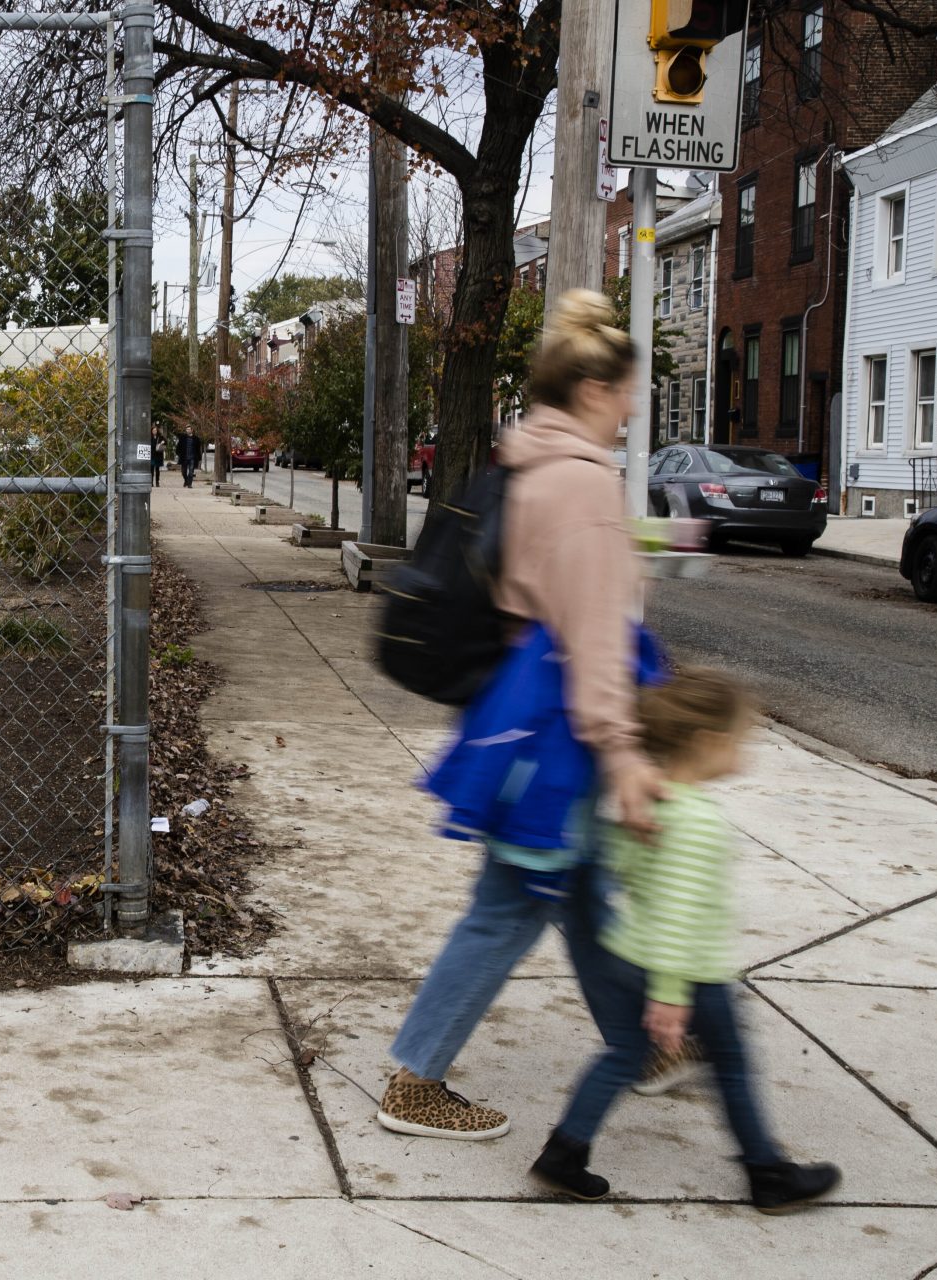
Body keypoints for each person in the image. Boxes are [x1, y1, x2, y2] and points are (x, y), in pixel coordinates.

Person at [376, 289, 669, 1141]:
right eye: (624, 393)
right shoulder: (581, 483)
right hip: (558, 730)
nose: (631, 408)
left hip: (524, 712)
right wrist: (624, 756)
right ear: (590, 392)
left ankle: (638, 1036)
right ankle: (416, 1080)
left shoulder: (524, 459)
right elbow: (597, 636)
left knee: (575, 887)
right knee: (512, 902)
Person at [530, 667, 841, 1213]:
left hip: (629, 953)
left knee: (624, 1054)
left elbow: (620, 867)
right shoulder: (696, 819)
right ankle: (768, 1174)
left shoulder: (647, 803)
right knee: (733, 1065)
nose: (747, 751)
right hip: (689, 972)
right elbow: (679, 915)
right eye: (744, 739)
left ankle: (564, 1153)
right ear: (708, 742)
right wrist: (672, 992)